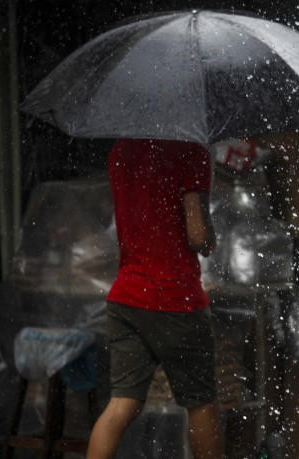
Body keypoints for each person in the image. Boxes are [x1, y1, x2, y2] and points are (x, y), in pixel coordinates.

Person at [87, 138, 225, 459]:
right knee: (201, 402)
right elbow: (198, 235)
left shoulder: (121, 149)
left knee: (121, 404)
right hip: (175, 299)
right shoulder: (191, 151)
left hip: (126, 297)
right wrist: (209, 235)